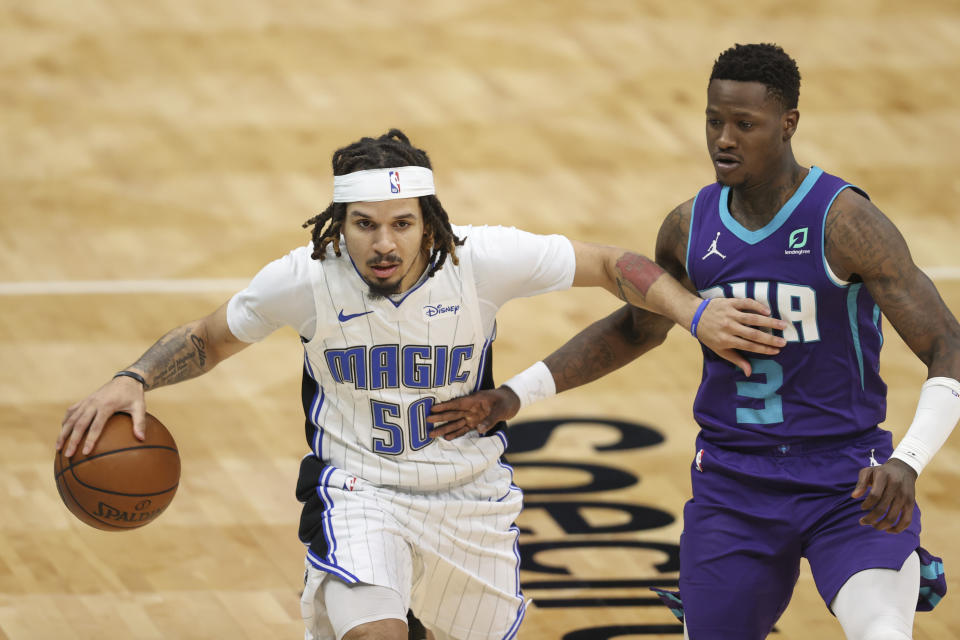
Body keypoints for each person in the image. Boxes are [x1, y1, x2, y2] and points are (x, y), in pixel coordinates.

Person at [56, 129, 784, 640]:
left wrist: (695, 313)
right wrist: (134, 377)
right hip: (360, 490)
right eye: (364, 225)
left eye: (401, 224)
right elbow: (208, 338)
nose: (383, 243)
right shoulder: (307, 279)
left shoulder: (482, 260)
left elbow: (609, 264)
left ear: (429, 223)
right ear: (338, 224)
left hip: (470, 499)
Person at [428, 45, 960, 640]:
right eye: (714, 121)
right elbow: (636, 328)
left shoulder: (845, 222)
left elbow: (950, 346)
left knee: (883, 631)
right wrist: (513, 394)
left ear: (788, 126)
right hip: (734, 486)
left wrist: (908, 461)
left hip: (846, 481)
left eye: (745, 125)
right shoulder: (689, 226)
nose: (723, 140)